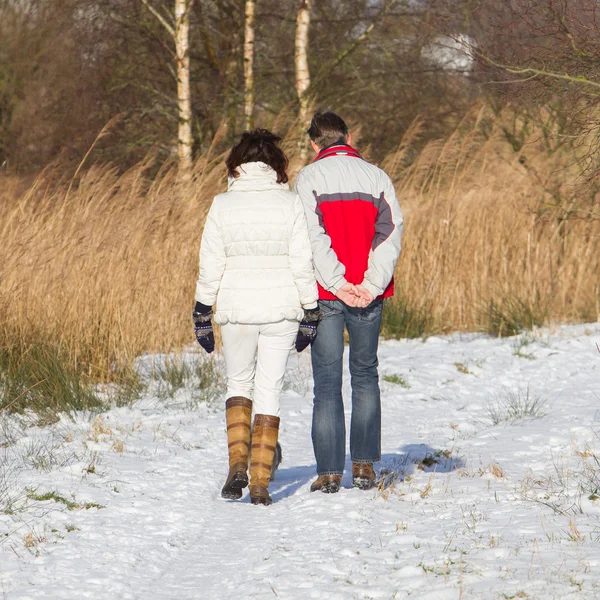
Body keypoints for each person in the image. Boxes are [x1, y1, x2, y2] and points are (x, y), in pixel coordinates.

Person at [193, 129, 320, 506]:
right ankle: (261, 482)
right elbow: (302, 261)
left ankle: (237, 465)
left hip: (236, 310)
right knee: (269, 389)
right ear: (276, 166)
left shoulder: (221, 205)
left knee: (238, 383)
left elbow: (210, 263)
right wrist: (310, 310)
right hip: (280, 309)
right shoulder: (290, 203)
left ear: (237, 165)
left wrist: (202, 309)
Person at [293, 109, 403, 494]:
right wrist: (370, 285)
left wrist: (338, 284)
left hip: (326, 294)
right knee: (365, 375)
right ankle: (364, 467)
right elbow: (390, 232)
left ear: (313, 143)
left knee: (326, 382)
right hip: (367, 295)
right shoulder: (377, 176)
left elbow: (311, 237)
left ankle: (327, 473)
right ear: (348, 136)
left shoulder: (307, 179)